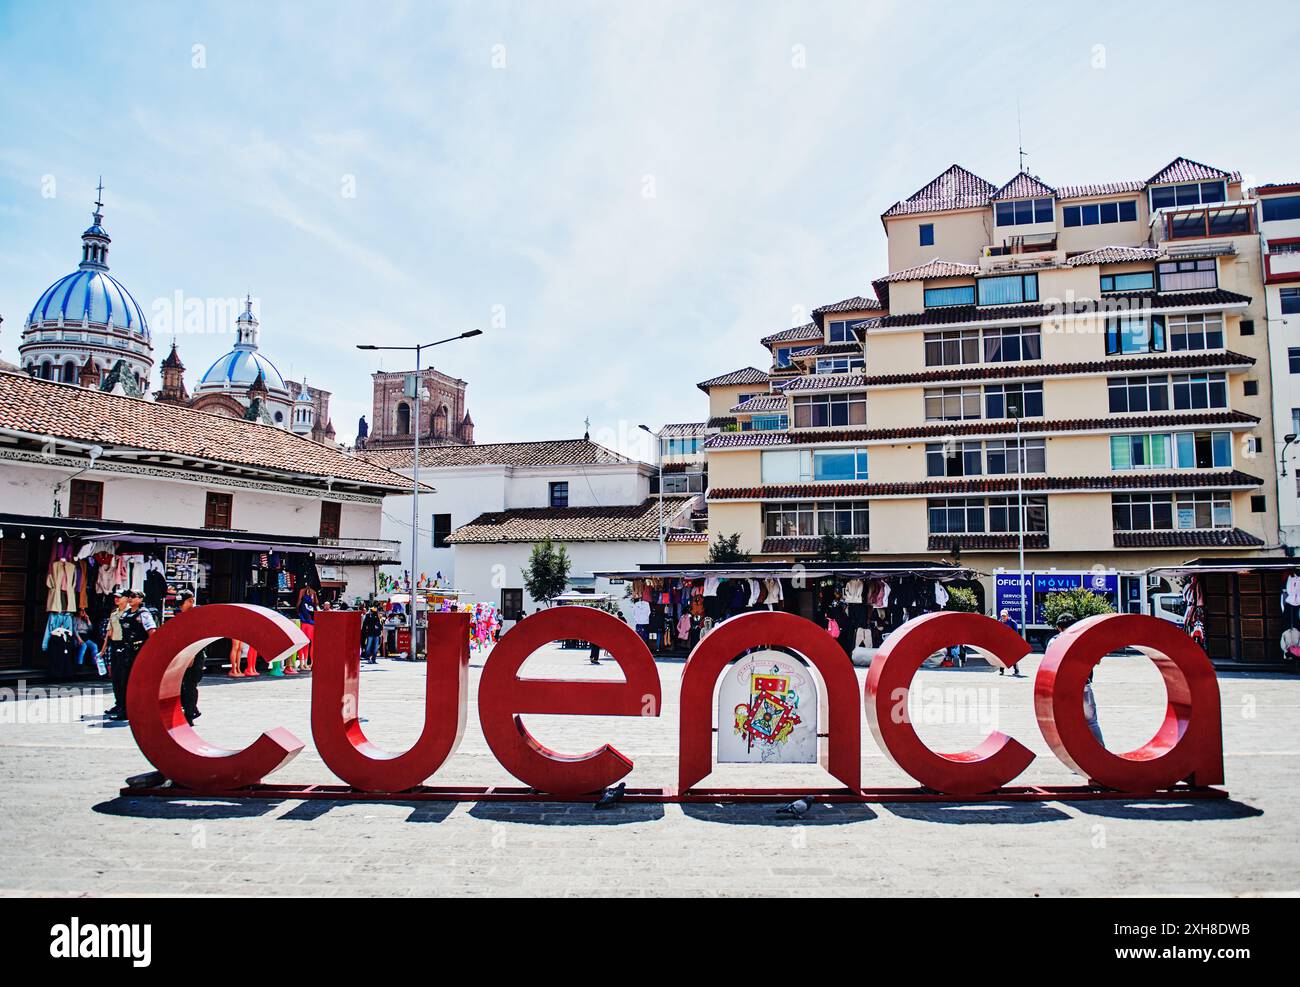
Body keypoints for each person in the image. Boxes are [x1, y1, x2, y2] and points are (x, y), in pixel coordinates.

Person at [174, 592, 203, 725]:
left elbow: (197, 638)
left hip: (194, 656)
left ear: (191, 601)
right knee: (181, 686)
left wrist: (192, 655)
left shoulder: (197, 617)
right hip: (183, 655)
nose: (179, 606)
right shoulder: (181, 616)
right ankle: (192, 710)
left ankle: (189, 715)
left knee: (190, 685)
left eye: (182, 603)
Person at [103, 591, 130, 719]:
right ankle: (118, 703)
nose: (116, 599)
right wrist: (103, 650)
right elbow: (109, 634)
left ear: (126, 598)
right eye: (115, 597)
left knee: (124, 677)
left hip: (126, 645)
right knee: (115, 676)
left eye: (119, 597)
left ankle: (124, 705)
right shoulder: (114, 614)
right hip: (115, 645)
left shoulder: (130, 613)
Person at [73, 608, 104, 676]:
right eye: (81, 611)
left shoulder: (84, 620)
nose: (83, 612)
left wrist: (88, 619)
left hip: (85, 636)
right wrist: (79, 639)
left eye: (84, 611)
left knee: (94, 646)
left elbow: (90, 628)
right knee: (84, 646)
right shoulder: (75, 618)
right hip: (78, 636)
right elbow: (74, 630)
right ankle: (79, 664)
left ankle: (94, 663)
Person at [997, 608, 1024, 678]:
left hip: (1010, 642)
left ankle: (1016, 671)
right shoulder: (999, 622)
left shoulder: (1012, 622)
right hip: (1002, 642)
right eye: (1002, 616)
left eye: (1004, 616)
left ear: (1007, 615)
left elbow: (1016, 634)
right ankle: (1001, 670)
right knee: (1002, 657)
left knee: (1012, 657)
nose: (1003, 617)